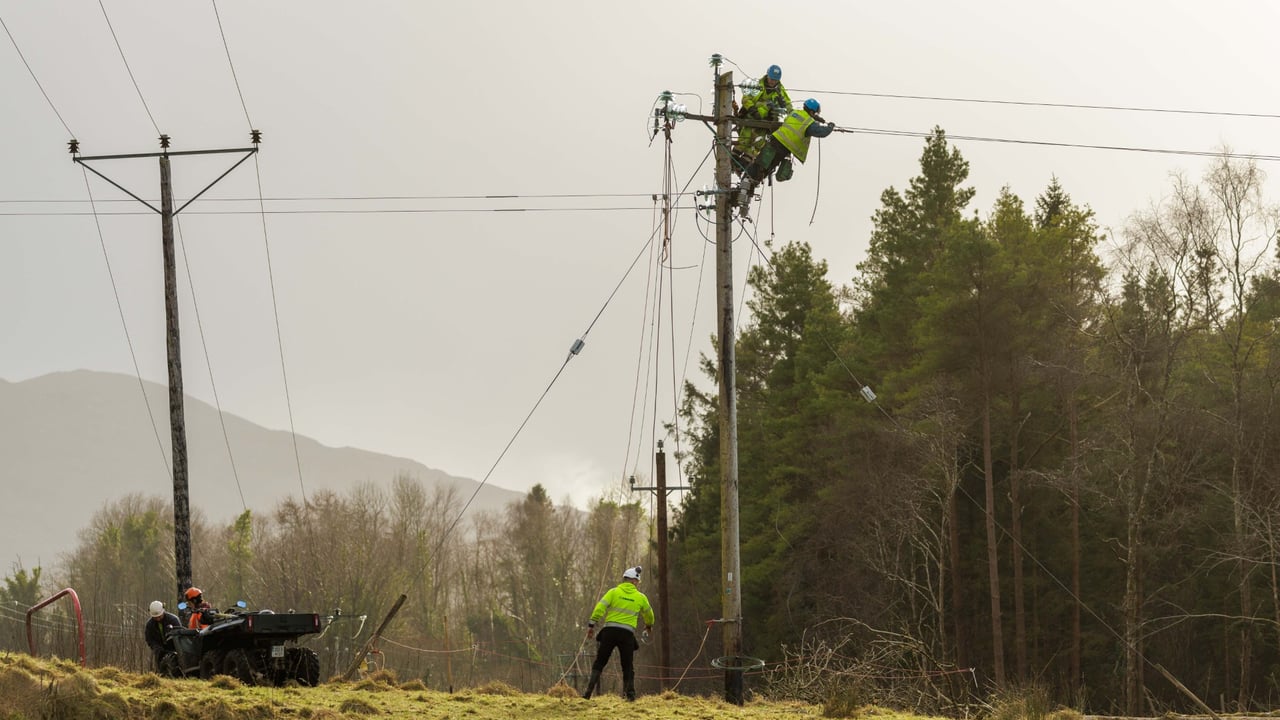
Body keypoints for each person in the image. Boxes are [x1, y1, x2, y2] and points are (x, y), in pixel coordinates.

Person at [738, 97, 835, 215]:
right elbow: (821, 132)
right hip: (782, 150)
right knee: (763, 170)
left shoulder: (794, 113)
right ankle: (744, 194)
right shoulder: (809, 123)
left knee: (759, 166)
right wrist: (830, 126)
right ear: (812, 112)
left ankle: (744, 192)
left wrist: (816, 118)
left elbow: (790, 116)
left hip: (774, 142)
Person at [582, 566, 655, 702]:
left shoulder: (613, 592)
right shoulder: (640, 597)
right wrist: (649, 626)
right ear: (634, 581)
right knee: (627, 665)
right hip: (627, 635)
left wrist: (591, 625)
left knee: (600, 662)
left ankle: (588, 692)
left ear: (625, 579)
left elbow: (600, 608)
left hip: (609, 632)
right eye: (637, 582)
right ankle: (630, 696)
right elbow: (649, 614)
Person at [733, 64, 791, 169]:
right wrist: (752, 109)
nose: (772, 82)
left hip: (766, 122)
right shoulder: (756, 85)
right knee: (744, 141)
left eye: (775, 80)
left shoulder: (780, 92)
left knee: (756, 145)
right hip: (750, 118)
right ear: (767, 75)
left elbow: (787, 105)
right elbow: (746, 98)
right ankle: (732, 162)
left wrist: (791, 115)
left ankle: (743, 166)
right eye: (771, 79)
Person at [144, 600, 182, 672]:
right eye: (156, 617)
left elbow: (179, 635)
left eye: (159, 616)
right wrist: (156, 647)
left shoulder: (173, 620)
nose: (158, 619)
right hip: (159, 650)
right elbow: (149, 639)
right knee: (161, 669)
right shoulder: (149, 625)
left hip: (174, 649)